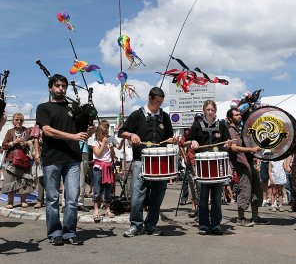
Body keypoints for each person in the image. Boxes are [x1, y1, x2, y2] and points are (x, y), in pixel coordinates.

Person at [36, 74, 94, 246]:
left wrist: (89, 130)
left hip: (73, 158)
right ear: (50, 88)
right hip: (52, 158)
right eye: (58, 86)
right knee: (52, 199)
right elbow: (47, 131)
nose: (61, 89)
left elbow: (84, 132)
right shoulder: (43, 107)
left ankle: (70, 232)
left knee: (72, 198)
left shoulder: (74, 108)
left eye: (63, 86)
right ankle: (55, 232)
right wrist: (73, 136)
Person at [118, 87, 178, 237]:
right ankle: (136, 225)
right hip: (140, 160)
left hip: (160, 161)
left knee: (158, 194)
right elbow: (121, 131)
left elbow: (170, 135)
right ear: (150, 98)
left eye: (161, 103)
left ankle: (151, 224)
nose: (159, 105)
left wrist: (172, 139)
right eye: (157, 102)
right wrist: (131, 135)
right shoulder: (137, 114)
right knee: (138, 195)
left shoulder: (164, 116)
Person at [186, 100, 232, 235]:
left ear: (215, 111)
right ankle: (204, 224)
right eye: (208, 110)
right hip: (202, 166)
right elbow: (187, 142)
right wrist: (193, 142)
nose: (210, 112)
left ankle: (216, 224)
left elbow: (227, 143)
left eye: (212, 110)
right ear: (204, 111)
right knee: (203, 197)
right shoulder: (196, 125)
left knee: (217, 197)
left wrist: (227, 145)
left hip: (217, 166)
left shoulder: (222, 125)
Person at [226, 107, 269, 226]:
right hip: (240, 163)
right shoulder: (231, 130)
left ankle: (255, 217)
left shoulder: (241, 129)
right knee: (244, 189)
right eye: (236, 115)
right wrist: (251, 149)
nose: (239, 116)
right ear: (230, 118)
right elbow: (234, 148)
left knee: (257, 189)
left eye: (240, 115)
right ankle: (241, 218)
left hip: (249, 162)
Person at [1, 113, 34, 209]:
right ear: (13, 121)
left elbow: (34, 141)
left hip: (24, 160)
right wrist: (13, 143)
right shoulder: (9, 132)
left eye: (21, 120)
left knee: (24, 180)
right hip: (11, 160)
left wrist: (27, 143)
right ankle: (10, 202)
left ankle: (23, 201)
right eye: (17, 119)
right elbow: (4, 146)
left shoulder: (27, 131)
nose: (19, 122)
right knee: (9, 181)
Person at [92, 124, 116, 222]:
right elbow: (98, 154)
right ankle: (96, 210)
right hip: (98, 167)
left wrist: (112, 149)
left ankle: (107, 209)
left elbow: (113, 156)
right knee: (97, 189)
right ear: (99, 134)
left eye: (106, 133)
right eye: (103, 133)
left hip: (108, 166)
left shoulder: (109, 141)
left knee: (108, 190)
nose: (106, 135)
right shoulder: (95, 142)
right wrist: (103, 144)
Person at [31, 124, 45, 209]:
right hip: (42, 153)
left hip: (54, 153)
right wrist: (36, 153)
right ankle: (39, 200)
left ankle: (53, 200)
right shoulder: (38, 125)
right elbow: (35, 139)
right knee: (41, 178)